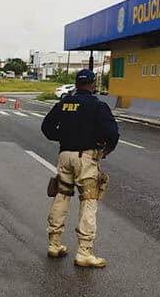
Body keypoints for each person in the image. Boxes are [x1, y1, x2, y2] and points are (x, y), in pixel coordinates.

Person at [41, 69, 119, 268]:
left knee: (62, 195)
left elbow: (47, 128)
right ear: (92, 85)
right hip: (85, 158)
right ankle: (84, 251)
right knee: (89, 200)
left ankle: (54, 243)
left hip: (64, 155)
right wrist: (107, 149)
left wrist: (65, 137)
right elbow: (112, 133)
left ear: (76, 84)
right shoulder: (97, 105)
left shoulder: (64, 103)